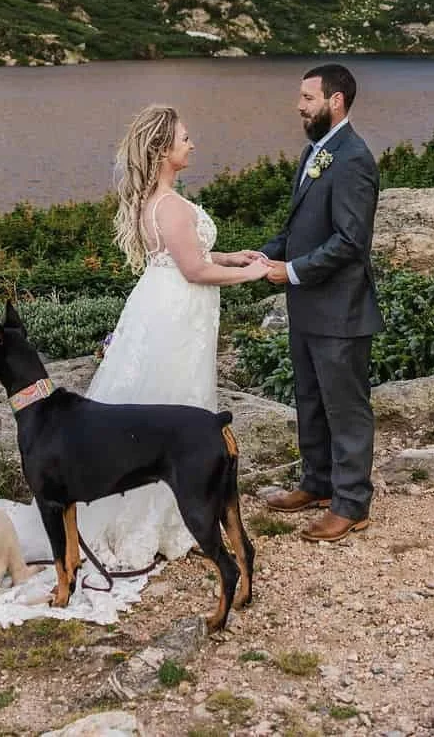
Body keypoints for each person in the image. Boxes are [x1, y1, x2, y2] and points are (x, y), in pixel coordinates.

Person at [74, 106, 268, 570]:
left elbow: (190, 254)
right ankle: (161, 514)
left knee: (156, 398)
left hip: (162, 303)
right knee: (175, 400)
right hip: (179, 312)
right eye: (184, 138)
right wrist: (256, 274)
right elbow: (195, 269)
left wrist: (234, 256)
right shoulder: (173, 205)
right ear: (163, 150)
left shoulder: (156, 203)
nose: (192, 143)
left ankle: (166, 505)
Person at [259, 64, 382, 542]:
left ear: (336, 101)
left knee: (346, 407)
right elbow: (298, 229)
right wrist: (264, 255)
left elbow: (351, 241)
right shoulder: (317, 152)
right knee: (310, 399)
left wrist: (289, 270)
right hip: (307, 307)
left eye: (308, 97)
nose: (299, 105)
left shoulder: (352, 159)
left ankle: (352, 503)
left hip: (341, 310)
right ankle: (318, 483)